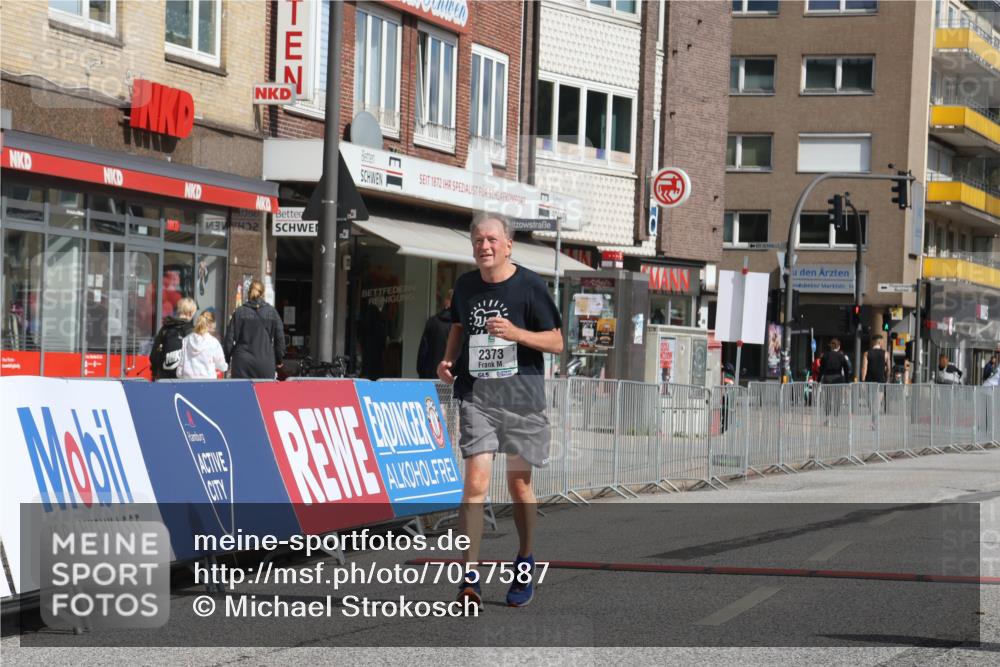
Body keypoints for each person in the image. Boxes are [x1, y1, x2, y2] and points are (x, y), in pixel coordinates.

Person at [437, 212, 563, 609]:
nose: (484, 246)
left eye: (492, 239)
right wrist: (448, 360)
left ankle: (525, 559)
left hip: (522, 397)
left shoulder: (529, 286)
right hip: (478, 395)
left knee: (519, 485)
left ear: (508, 244)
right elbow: (458, 325)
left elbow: (558, 341)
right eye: (478, 241)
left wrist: (517, 333)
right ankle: (469, 578)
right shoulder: (465, 285)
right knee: (475, 483)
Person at [224, 280, 285, 379]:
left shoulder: (239, 312)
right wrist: (279, 359)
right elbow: (280, 339)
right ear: (263, 293)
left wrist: (226, 359)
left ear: (249, 293)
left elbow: (229, 340)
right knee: (264, 394)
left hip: (242, 363)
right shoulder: (272, 312)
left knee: (241, 394)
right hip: (265, 362)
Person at [149, 297, 196, 380]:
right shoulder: (191, 331)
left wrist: (155, 372)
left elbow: (154, 355)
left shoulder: (165, 328)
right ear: (190, 313)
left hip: (164, 377)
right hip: (185, 379)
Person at [178, 311, 228, 379]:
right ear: (212, 324)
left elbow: (180, 365)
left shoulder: (186, 340)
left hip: (188, 381)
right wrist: (226, 366)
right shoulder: (213, 342)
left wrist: (181, 375)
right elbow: (221, 366)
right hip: (208, 382)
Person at [416, 290, 453, 379]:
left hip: (431, 377)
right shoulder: (462, 325)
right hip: (453, 378)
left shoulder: (432, 322)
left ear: (446, 301)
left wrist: (422, 373)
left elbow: (423, 353)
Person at [818, 338, 851, 420]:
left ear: (831, 347)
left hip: (827, 379)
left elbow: (821, 369)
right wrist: (847, 381)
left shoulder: (825, 355)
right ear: (838, 347)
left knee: (827, 398)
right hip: (838, 379)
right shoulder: (841, 356)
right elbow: (846, 369)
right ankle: (836, 418)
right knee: (837, 398)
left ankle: (827, 418)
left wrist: (818, 380)